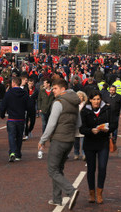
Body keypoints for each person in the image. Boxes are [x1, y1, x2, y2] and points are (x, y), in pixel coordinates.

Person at [38, 77, 80, 210]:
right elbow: (79, 123)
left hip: (59, 140)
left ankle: (71, 191)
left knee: (52, 170)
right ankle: (57, 198)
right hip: (70, 140)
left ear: (63, 89)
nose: (53, 91)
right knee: (58, 169)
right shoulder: (74, 102)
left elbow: (51, 124)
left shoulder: (59, 102)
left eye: (55, 88)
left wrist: (42, 140)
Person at [80, 90, 116, 204]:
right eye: (94, 99)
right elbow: (81, 128)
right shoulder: (85, 111)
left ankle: (99, 193)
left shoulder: (107, 109)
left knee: (102, 168)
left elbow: (114, 124)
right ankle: (92, 194)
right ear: (90, 100)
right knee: (91, 169)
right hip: (90, 143)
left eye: (98, 99)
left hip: (103, 142)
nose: (96, 101)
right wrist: (90, 130)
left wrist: (108, 129)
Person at [0, 76, 35, 162]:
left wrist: (2, 114)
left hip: (11, 118)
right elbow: (30, 106)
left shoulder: (9, 93)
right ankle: (18, 154)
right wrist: (30, 115)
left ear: (13, 83)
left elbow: (3, 105)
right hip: (21, 118)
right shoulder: (24, 93)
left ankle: (12, 152)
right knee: (19, 136)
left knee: (11, 135)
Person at [73, 91, 87, 160]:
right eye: (78, 96)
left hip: (83, 124)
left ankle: (84, 154)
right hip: (75, 125)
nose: (79, 97)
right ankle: (76, 153)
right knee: (76, 141)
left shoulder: (86, 105)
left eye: (81, 96)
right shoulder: (74, 105)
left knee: (83, 141)